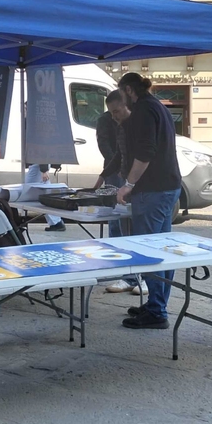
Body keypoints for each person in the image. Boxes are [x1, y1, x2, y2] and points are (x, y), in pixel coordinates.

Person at [116, 72, 181, 330]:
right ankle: (157, 303)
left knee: (151, 250)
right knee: (162, 248)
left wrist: (128, 185)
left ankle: (156, 310)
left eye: (121, 94)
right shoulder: (159, 107)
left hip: (153, 190)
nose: (121, 101)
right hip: (167, 186)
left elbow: (145, 152)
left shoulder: (144, 110)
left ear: (129, 91)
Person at [95, 90, 142, 293]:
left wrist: (129, 183)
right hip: (121, 176)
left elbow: (142, 156)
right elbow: (115, 154)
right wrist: (104, 175)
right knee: (120, 224)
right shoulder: (116, 124)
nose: (114, 116)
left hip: (137, 183)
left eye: (117, 112)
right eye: (111, 113)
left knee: (137, 230)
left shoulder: (139, 123)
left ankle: (140, 277)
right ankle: (128, 273)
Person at [25, 163, 65, 232]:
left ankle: (57, 222)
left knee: (28, 190)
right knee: (44, 194)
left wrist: (44, 170)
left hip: (38, 165)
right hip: (39, 165)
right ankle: (56, 222)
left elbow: (42, 154)